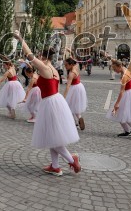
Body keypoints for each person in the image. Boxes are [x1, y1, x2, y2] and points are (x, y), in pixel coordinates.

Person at [13, 32, 81, 176]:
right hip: (55, 101)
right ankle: (55, 166)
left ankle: (72, 160)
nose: (37, 59)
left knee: (53, 138)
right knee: (52, 136)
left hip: (50, 104)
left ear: (43, 57)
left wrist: (20, 38)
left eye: (39, 57)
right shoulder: (54, 69)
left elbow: (29, 54)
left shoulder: (44, 68)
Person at [106, 59, 131, 139]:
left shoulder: (124, 76)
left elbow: (121, 91)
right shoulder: (124, 69)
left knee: (120, 112)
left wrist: (117, 103)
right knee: (120, 113)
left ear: (119, 66)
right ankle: (127, 131)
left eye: (115, 69)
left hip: (129, 93)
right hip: (130, 92)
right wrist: (109, 57)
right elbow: (115, 61)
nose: (114, 71)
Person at [63, 58, 88, 131]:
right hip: (79, 86)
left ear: (71, 64)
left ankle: (76, 122)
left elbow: (68, 86)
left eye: (66, 65)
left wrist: (64, 96)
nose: (65, 67)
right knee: (73, 105)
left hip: (74, 88)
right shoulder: (76, 67)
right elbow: (75, 61)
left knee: (70, 105)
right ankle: (78, 120)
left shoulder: (71, 73)